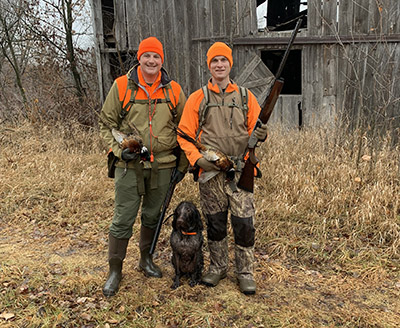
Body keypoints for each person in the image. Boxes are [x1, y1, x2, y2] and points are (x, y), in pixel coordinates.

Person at [177, 42, 268, 295]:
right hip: (211, 173)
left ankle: (245, 273)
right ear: (209, 66)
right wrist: (197, 160)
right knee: (215, 223)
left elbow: (255, 132)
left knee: (244, 224)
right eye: (214, 61)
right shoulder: (198, 98)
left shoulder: (245, 96)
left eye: (223, 60)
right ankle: (217, 268)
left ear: (230, 64)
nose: (219, 65)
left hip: (240, 172)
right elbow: (183, 135)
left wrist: (262, 134)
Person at [99, 36, 188, 297]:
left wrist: (182, 165)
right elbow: (106, 124)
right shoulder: (121, 87)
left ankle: (145, 260)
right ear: (139, 58)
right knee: (123, 218)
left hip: (163, 167)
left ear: (162, 60)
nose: (151, 61)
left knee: (153, 215)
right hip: (129, 166)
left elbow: (186, 130)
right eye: (147, 55)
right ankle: (115, 270)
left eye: (156, 56)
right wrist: (118, 151)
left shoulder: (174, 91)